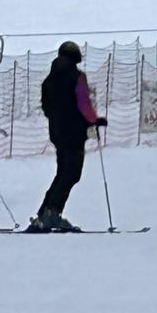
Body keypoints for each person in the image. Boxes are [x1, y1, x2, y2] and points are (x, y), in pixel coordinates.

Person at [32, 40, 104, 232]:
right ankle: (52, 213)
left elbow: (46, 107)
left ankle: (45, 212)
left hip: (56, 132)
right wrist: (94, 120)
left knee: (62, 172)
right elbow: (83, 103)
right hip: (74, 133)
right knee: (72, 174)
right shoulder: (76, 76)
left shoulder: (49, 80)